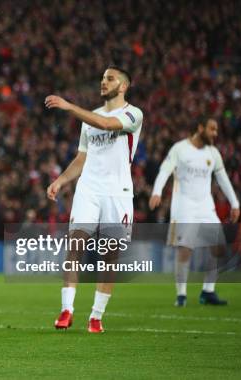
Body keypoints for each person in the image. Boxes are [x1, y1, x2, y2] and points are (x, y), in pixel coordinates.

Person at [45, 66, 143, 333]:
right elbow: (82, 158)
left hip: (118, 192)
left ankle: (96, 316)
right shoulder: (91, 117)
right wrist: (61, 181)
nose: (103, 81)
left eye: (110, 78)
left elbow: (108, 124)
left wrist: (69, 107)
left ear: (123, 86)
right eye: (102, 77)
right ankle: (66, 310)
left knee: (110, 256)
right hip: (88, 189)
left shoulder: (133, 114)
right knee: (75, 246)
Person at [149, 117, 240, 306]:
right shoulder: (180, 149)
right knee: (185, 249)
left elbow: (223, 179)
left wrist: (235, 203)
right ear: (200, 128)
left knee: (220, 248)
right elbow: (165, 170)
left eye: (216, 130)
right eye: (212, 129)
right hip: (185, 207)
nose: (215, 133)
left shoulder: (213, 153)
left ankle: (208, 291)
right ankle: (181, 295)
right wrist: (157, 192)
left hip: (206, 206)